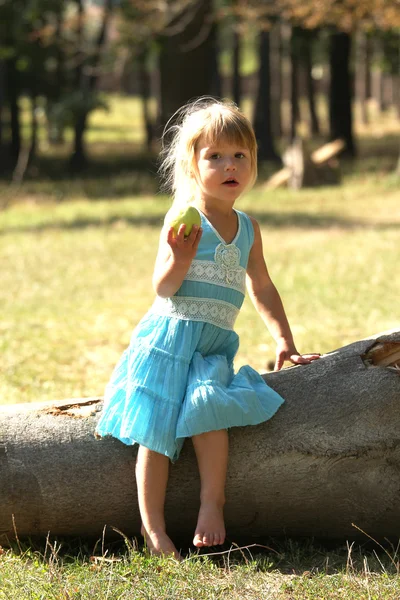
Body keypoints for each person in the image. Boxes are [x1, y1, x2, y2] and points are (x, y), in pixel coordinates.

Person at [95, 98, 319, 560]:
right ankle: (152, 528)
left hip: (213, 344)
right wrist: (178, 258)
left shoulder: (248, 227)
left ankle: (211, 504)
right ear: (192, 165)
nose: (229, 165)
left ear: (253, 163)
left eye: (240, 155)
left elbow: (261, 286)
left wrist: (284, 340)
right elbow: (163, 285)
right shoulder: (183, 217)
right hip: (170, 338)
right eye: (214, 156)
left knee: (209, 411)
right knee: (155, 433)